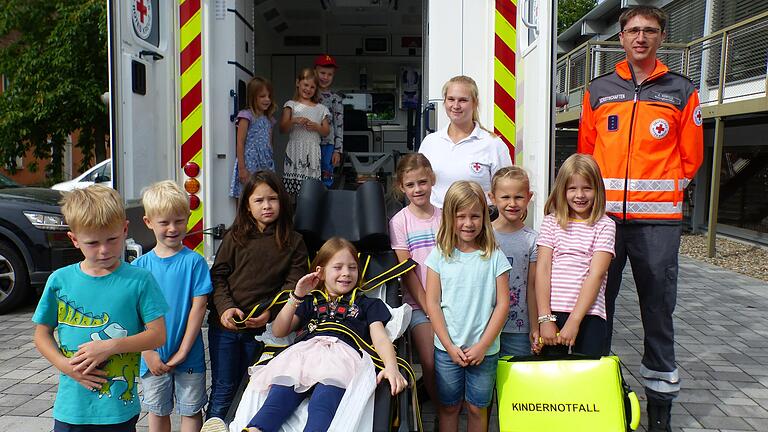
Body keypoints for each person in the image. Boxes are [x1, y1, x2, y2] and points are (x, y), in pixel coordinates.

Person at [577, 6, 703, 430]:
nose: (641, 37)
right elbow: (586, 157)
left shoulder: (681, 90)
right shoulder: (598, 90)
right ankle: (596, 396)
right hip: (605, 221)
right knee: (597, 308)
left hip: (658, 226)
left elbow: (691, 158)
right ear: (622, 37)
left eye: (649, 30)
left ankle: (660, 406)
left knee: (657, 312)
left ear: (661, 37)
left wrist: (662, 193)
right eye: (633, 30)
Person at [202, 237, 408, 432]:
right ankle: (255, 428)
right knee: (280, 394)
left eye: (352, 267)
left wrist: (391, 367)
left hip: (341, 357)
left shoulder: (367, 304)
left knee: (323, 402)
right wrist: (297, 295)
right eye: (338, 267)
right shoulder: (310, 301)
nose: (346, 273)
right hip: (303, 355)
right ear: (321, 271)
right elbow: (279, 330)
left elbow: (380, 337)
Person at [32, 185, 167, 432]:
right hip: (72, 407)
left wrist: (109, 346)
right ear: (74, 239)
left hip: (117, 410)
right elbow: (41, 334)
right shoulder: (59, 281)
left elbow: (158, 335)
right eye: (92, 242)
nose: (104, 250)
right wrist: (65, 366)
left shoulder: (140, 280)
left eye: (112, 239)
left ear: (125, 229)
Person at [207, 170, 308, 420]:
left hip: (263, 332)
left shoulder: (294, 242)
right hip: (226, 329)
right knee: (223, 390)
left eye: (272, 199)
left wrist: (270, 314)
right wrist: (225, 308)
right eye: (259, 200)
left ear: (282, 201)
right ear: (247, 206)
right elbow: (218, 276)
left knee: (253, 390)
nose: (266, 206)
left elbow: (293, 285)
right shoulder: (235, 236)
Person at [425, 181, 511, 432]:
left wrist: (483, 345)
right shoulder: (439, 255)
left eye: (475, 215)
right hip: (447, 350)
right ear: (449, 217)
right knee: (449, 407)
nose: (468, 223)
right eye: (460, 216)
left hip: (484, 351)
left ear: (484, 216)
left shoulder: (494, 255)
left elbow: (503, 304)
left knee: (477, 408)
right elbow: (432, 303)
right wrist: (449, 346)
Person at [134, 181, 212, 432]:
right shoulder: (140, 268)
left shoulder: (195, 262)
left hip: (189, 355)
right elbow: (134, 315)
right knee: (157, 411)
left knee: (190, 410)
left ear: (188, 218)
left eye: (179, 221)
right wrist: (148, 353)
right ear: (148, 222)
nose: (172, 228)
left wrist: (183, 351)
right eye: (164, 222)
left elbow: (198, 309)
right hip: (151, 357)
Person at [535, 154, 615, 358]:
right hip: (552, 313)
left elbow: (596, 274)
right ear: (562, 190)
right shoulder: (551, 222)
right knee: (551, 376)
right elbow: (543, 268)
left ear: (598, 189)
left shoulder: (605, 225)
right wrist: (545, 318)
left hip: (588, 315)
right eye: (572, 188)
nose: (580, 195)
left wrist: (574, 321)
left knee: (586, 377)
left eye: (587, 188)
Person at [388, 153, 440, 404]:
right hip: (418, 303)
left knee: (449, 359)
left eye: (422, 182)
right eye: (410, 185)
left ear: (432, 180)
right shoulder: (399, 222)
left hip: (448, 300)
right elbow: (406, 269)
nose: (417, 189)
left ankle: (450, 408)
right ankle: (442, 411)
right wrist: (429, 304)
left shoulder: (445, 217)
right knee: (430, 362)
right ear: (401, 186)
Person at [418, 75, 512, 208]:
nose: (456, 105)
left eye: (463, 100)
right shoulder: (430, 143)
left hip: (477, 223)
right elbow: (418, 185)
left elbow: (507, 191)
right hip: (438, 222)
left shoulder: (493, 144)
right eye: (451, 99)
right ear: (444, 102)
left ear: (475, 103)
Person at [489, 167, 539, 357]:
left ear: (529, 197)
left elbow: (533, 287)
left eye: (518, 197)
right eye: (505, 197)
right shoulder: (483, 235)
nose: (512, 203)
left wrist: (535, 326)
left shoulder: (533, 240)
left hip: (518, 329)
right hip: (484, 326)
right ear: (492, 197)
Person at [280, 68, 331, 197]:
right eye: (306, 85)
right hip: (295, 150)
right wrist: (294, 120)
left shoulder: (321, 109)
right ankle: (294, 213)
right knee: (293, 190)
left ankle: (309, 213)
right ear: (298, 83)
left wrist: (316, 127)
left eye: (312, 87)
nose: (308, 89)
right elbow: (282, 129)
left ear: (316, 89)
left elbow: (326, 132)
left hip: (312, 151)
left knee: (310, 190)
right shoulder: (290, 105)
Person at [230, 77, 277, 199]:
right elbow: (240, 143)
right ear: (253, 97)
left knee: (264, 194)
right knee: (247, 195)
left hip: (265, 163)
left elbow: (269, 144)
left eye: (269, 96)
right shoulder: (246, 116)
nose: (267, 99)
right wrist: (242, 168)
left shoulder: (269, 119)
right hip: (250, 163)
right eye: (262, 96)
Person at [314, 54, 344, 187]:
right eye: (322, 73)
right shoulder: (309, 95)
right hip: (310, 142)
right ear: (315, 72)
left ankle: (325, 201)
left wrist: (337, 150)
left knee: (326, 173)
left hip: (328, 145)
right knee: (310, 174)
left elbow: (339, 126)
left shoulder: (335, 98)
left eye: (329, 74)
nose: (325, 77)